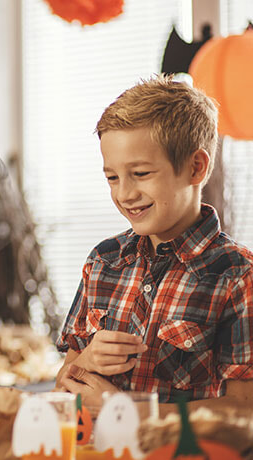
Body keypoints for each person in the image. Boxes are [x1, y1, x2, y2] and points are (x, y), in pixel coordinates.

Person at [55, 75, 253, 415]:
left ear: (196, 168)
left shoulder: (236, 275)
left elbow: (245, 410)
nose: (124, 194)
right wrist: (87, 359)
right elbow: (63, 388)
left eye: (141, 174)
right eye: (112, 177)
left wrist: (130, 411)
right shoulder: (103, 261)